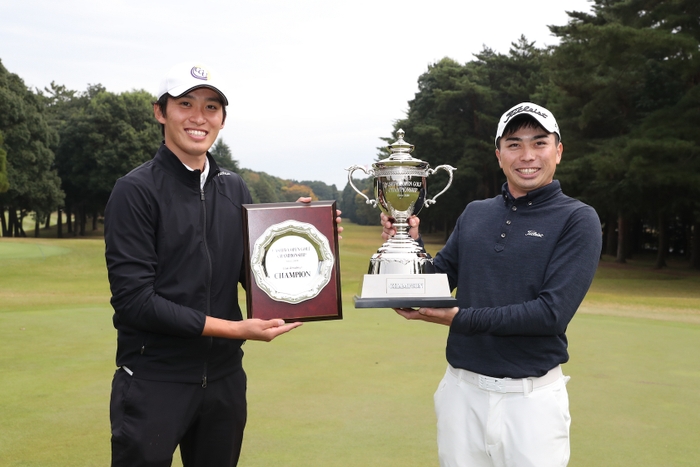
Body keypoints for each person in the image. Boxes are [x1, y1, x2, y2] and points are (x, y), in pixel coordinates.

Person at [104, 62, 340, 467]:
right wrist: (234, 328)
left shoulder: (233, 187)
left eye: (212, 107)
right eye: (185, 104)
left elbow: (255, 273)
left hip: (224, 380)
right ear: (160, 112)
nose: (199, 117)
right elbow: (135, 301)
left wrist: (302, 232)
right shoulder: (135, 191)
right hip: (154, 378)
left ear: (223, 119)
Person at [382, 102, 602, 467]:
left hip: (531, 404)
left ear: (558, 151)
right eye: (514, 144)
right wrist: (410, 243)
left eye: (539, 143)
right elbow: (436, 282)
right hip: (461, 393)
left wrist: (457, 318)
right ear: (499, 154)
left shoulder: (578, 219)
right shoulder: (475, 213)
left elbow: (550, 315)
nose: (527, 155)